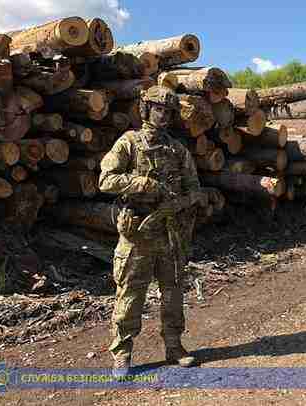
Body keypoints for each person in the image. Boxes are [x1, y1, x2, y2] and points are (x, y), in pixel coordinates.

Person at [99, 86, 201, 375]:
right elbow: (106, 180)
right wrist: (143, 184)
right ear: (146, 110)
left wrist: (178, 203)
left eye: (168, 112)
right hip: (137, 235)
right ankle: (122, 352)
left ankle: (174, 346)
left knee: (173, 293)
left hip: (170, 233)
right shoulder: (129, 143)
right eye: (158, 109)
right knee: (130, 295)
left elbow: (195, 189)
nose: (164, 116)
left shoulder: (177, 149)